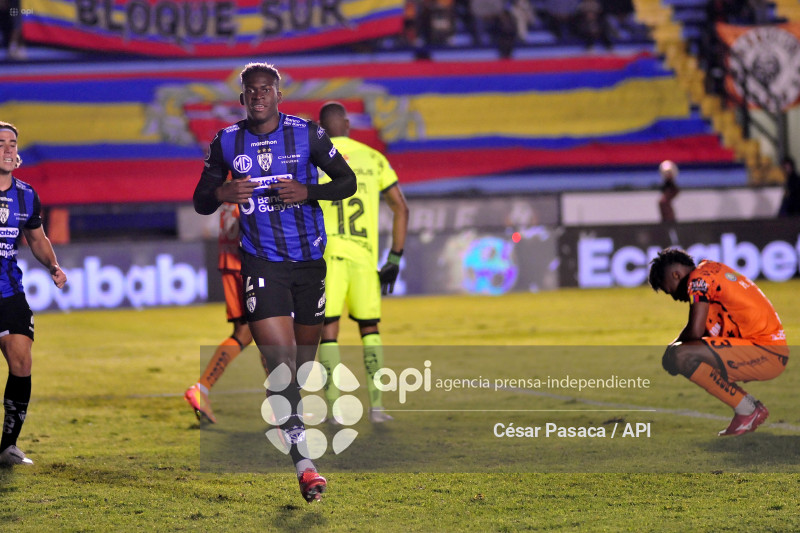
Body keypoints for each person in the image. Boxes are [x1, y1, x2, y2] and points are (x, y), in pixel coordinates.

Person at [192, 63, 357, 503]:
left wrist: (310, 191)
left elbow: (347, 182)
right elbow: (200, 201)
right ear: (243, 97)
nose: (259, 95)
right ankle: (305, 467)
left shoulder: (308, 134)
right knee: (281, 365)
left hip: (309, 266)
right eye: (251, 90)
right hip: (261, 264)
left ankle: (289, 418)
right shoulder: (226, 141)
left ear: (278, 94)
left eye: (266, 89)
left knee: (301, 368)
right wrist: (221, 194)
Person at [315, 102, 409, 424]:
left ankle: (334, 410)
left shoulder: (311, 158)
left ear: (321, 128)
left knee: (328, 331)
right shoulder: (374, 157)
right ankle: (378, 408)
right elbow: (401, 208)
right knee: (370, 329)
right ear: (347, 124)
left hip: (327, 258)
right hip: (365, 259)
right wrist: (394, 258)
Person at [648, 248, 788, 437]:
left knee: (681, 355)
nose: (674, 297)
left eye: (669, 290)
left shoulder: (697, 281)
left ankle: (747, 409)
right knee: (684, 353)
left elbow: (695, 331)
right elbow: (701, 333)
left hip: (767, 351)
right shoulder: (710, 274)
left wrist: (671, 350)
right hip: (766, 348)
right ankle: (748, 407)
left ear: (675, 274)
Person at [0, 121, 67, 466]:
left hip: (8, 290)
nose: (8, 149)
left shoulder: (26, 195)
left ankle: (7, 446)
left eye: (12, 143)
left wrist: (53, 266)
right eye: (1, 143)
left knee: (22, 362)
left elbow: (37, 239)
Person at [184, 202, 253, 423]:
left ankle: (201, 389)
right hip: (247, 264)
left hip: (229, 260)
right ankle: (281, 407)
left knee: (244, 332)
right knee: (270, 330)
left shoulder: (228, 182)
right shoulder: (250, 177)